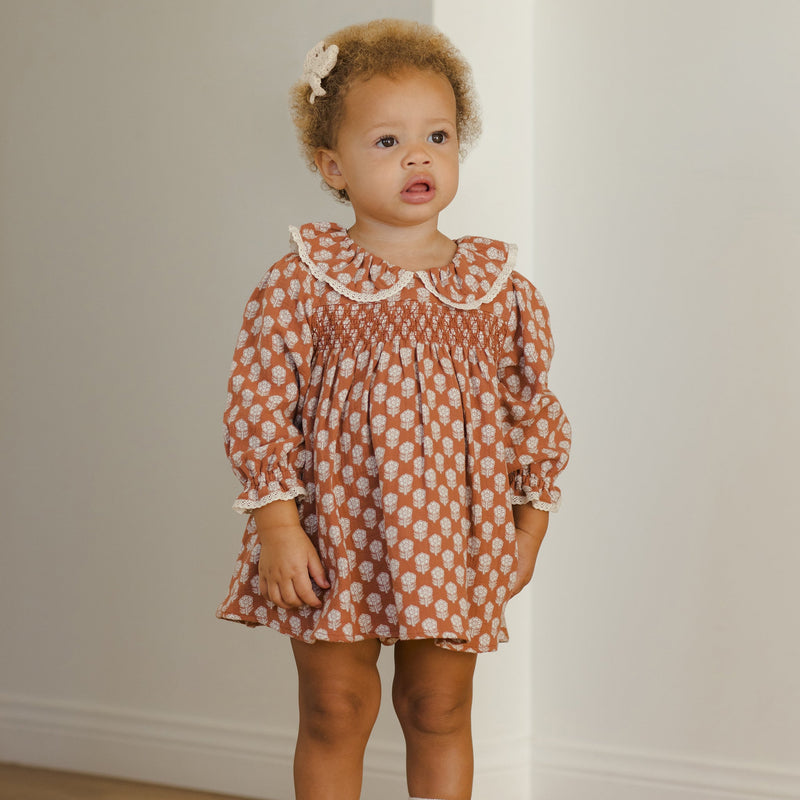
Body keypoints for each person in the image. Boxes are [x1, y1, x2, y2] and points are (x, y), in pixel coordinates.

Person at [217, 18, 571, 800]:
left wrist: (528, 529)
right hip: (334, 532)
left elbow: (531, 413)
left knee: (438, 707)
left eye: (437, 136)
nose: (418, 156)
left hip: (453, 535)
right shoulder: (304, 283)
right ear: (332, 166)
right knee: (335, 707)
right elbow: (260, 402)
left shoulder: (498, 290)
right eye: (387, 141)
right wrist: (277, 527)